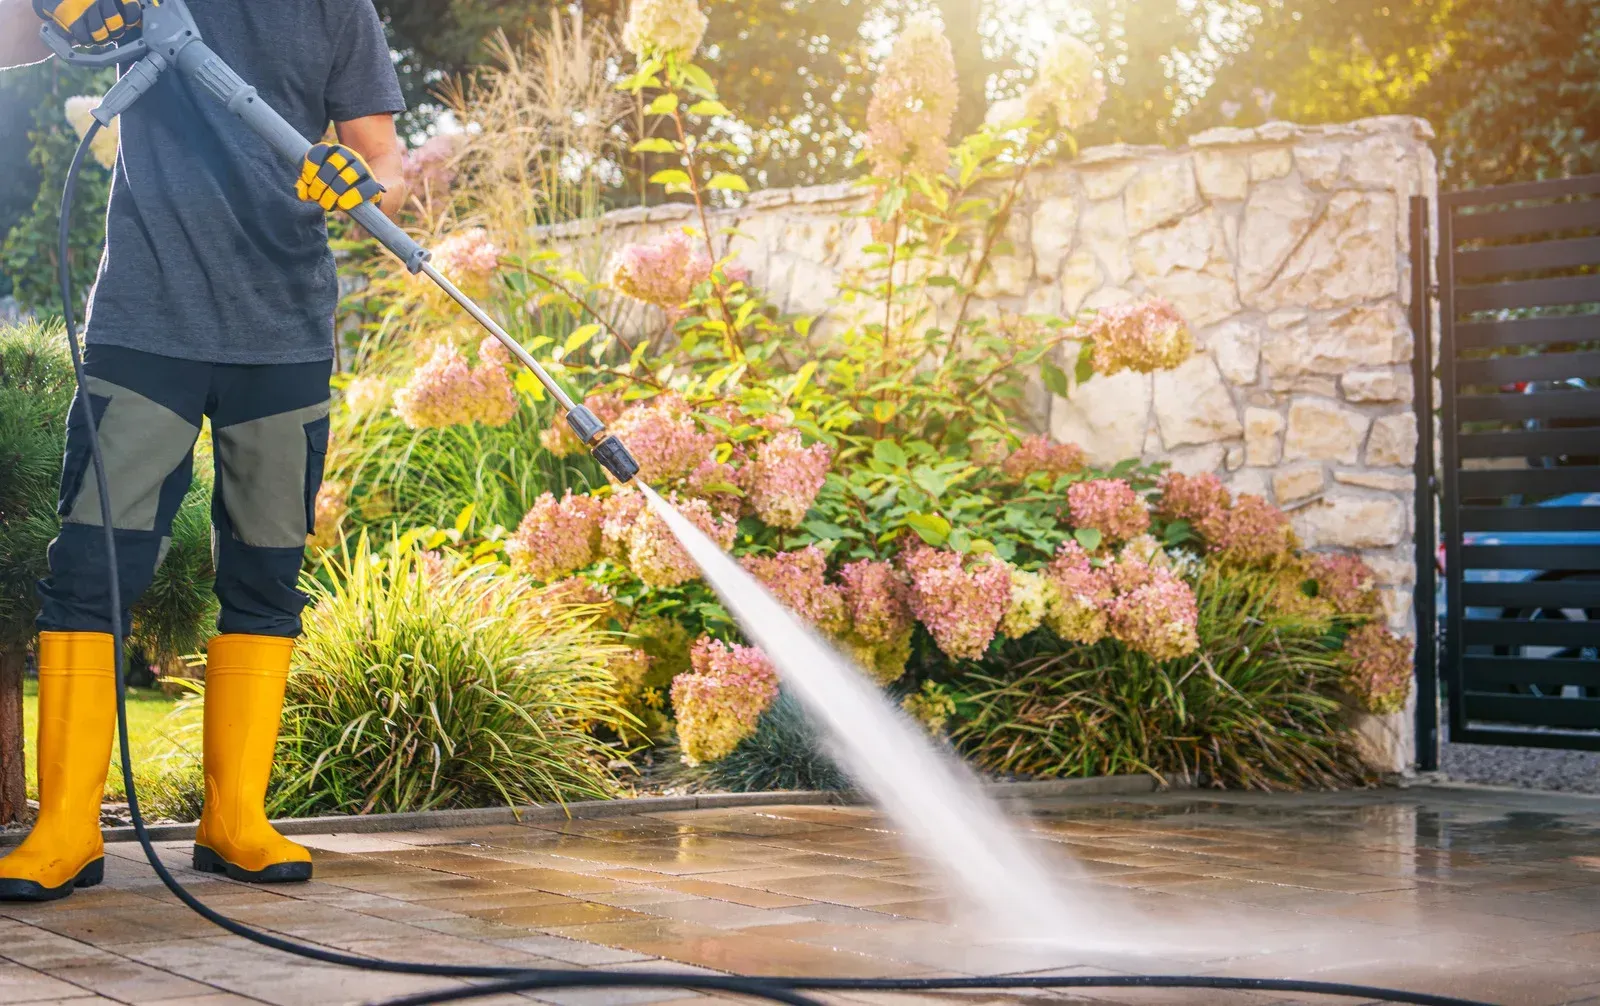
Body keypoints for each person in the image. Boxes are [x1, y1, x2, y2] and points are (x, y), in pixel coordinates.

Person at [0, 0, 409, 901]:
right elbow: (17, 40)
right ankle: (65, 827)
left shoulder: (341, 9)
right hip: (149, 321)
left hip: (287, 328)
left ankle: (234, 820)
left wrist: (365, 177)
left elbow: (384, 156)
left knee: (266, 574)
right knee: (93, 565)